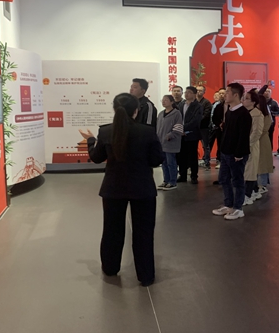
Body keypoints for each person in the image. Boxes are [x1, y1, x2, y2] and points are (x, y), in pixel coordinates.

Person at [82, 93, 163, 287]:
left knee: (112, 230)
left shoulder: (105, 132)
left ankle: (110, 268)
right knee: (143, 232)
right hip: (142, 188)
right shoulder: (147, 132)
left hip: (113, 188)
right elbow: (156, 160)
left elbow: (96, 158)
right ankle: (145, 275)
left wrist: (91, 141)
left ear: (114, 109)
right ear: (136, 110)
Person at [212, 83, 252, 220]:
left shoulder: (244, 114)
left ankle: (238, 208)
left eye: (228, 92)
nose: (225, 95)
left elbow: (243, 136)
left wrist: (239, 154)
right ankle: (228, 204)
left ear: (235, 95)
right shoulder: (229, 111)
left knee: (237, 181)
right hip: (225, 152)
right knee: (224, 179)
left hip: (236, 154)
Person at [156, 95, 184, 191]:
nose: (163, 102)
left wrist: (170, 135)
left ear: (172, 102)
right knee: (164, 163)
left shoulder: (176, 113)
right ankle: (166, 180)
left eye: (166, 100)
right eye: (162, 100)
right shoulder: (161, 114)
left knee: (171, 162)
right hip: (161, 142)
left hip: (171, 142)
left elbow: (179, 127)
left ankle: (172, 182)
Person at [242, 90, 265, 206]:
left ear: (253, 102)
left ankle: (247, 195)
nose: (244, 100)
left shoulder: (257, 114)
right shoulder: (244, 112)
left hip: (251, 145)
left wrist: (247, 144)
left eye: (247, 98)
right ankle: (255, 191)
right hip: (243, 145)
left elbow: (257, 132)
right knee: (248, 170)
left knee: (250, 170)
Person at [177, 86, 202, 184]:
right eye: (186, 92)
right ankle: (182, 175)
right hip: (181, 134)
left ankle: (194, 176)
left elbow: (196, 121)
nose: (186, 94)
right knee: (181, 155)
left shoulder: (197, 106)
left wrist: (184, 128)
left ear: (194, 94)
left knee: (192, 156)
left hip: (192, 134)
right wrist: (179, 129)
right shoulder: (181, 104)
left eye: (189, 92)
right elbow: (177, 118)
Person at [257, 95, 274, 194]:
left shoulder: (266, 115)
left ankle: (263, 184)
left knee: (263, 163)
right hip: (257, 140)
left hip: (262, 140)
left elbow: (263, 130)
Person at [196, 85, 213, 170]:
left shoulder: (207, 102)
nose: (198, 92)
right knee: (193, 146)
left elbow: (206, 114)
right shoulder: (193, 102)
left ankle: (207, 162)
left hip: (204, 127)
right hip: (194, 128)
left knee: (205, 145)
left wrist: (197, 120)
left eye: (200, 90)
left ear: (204, 92)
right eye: (197, 90)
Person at [209, 88, 226, 170]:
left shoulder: (230, 105)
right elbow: (214, 117)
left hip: (228, 129)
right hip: (219, 128)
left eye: (223, 93)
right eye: (220, 93)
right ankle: (220, 160)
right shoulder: (218, 106)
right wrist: (218, 124)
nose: (221, 95)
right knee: (220, 145)